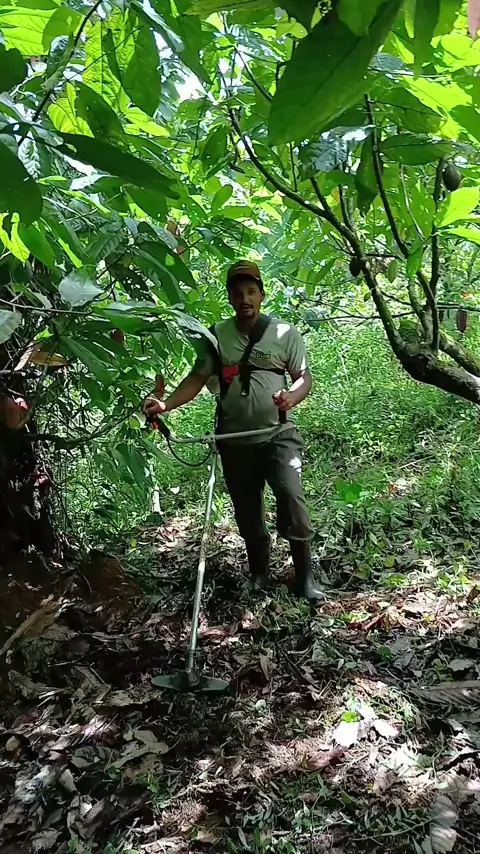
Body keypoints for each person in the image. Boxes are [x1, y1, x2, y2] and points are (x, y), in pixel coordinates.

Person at [143, 260, 322, 601]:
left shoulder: (285, 333)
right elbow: (197, 377)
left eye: (251, 291)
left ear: (262, 295)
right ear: (229, 297)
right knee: (247, 510)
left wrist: (292, 396)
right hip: (233, 440)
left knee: (291, 498)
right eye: (238, 293)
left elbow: (303, 377)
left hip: (277, 435)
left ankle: (305, 579)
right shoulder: (217, 335)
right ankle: (259, 574)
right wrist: (166, 405)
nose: (245, 299)